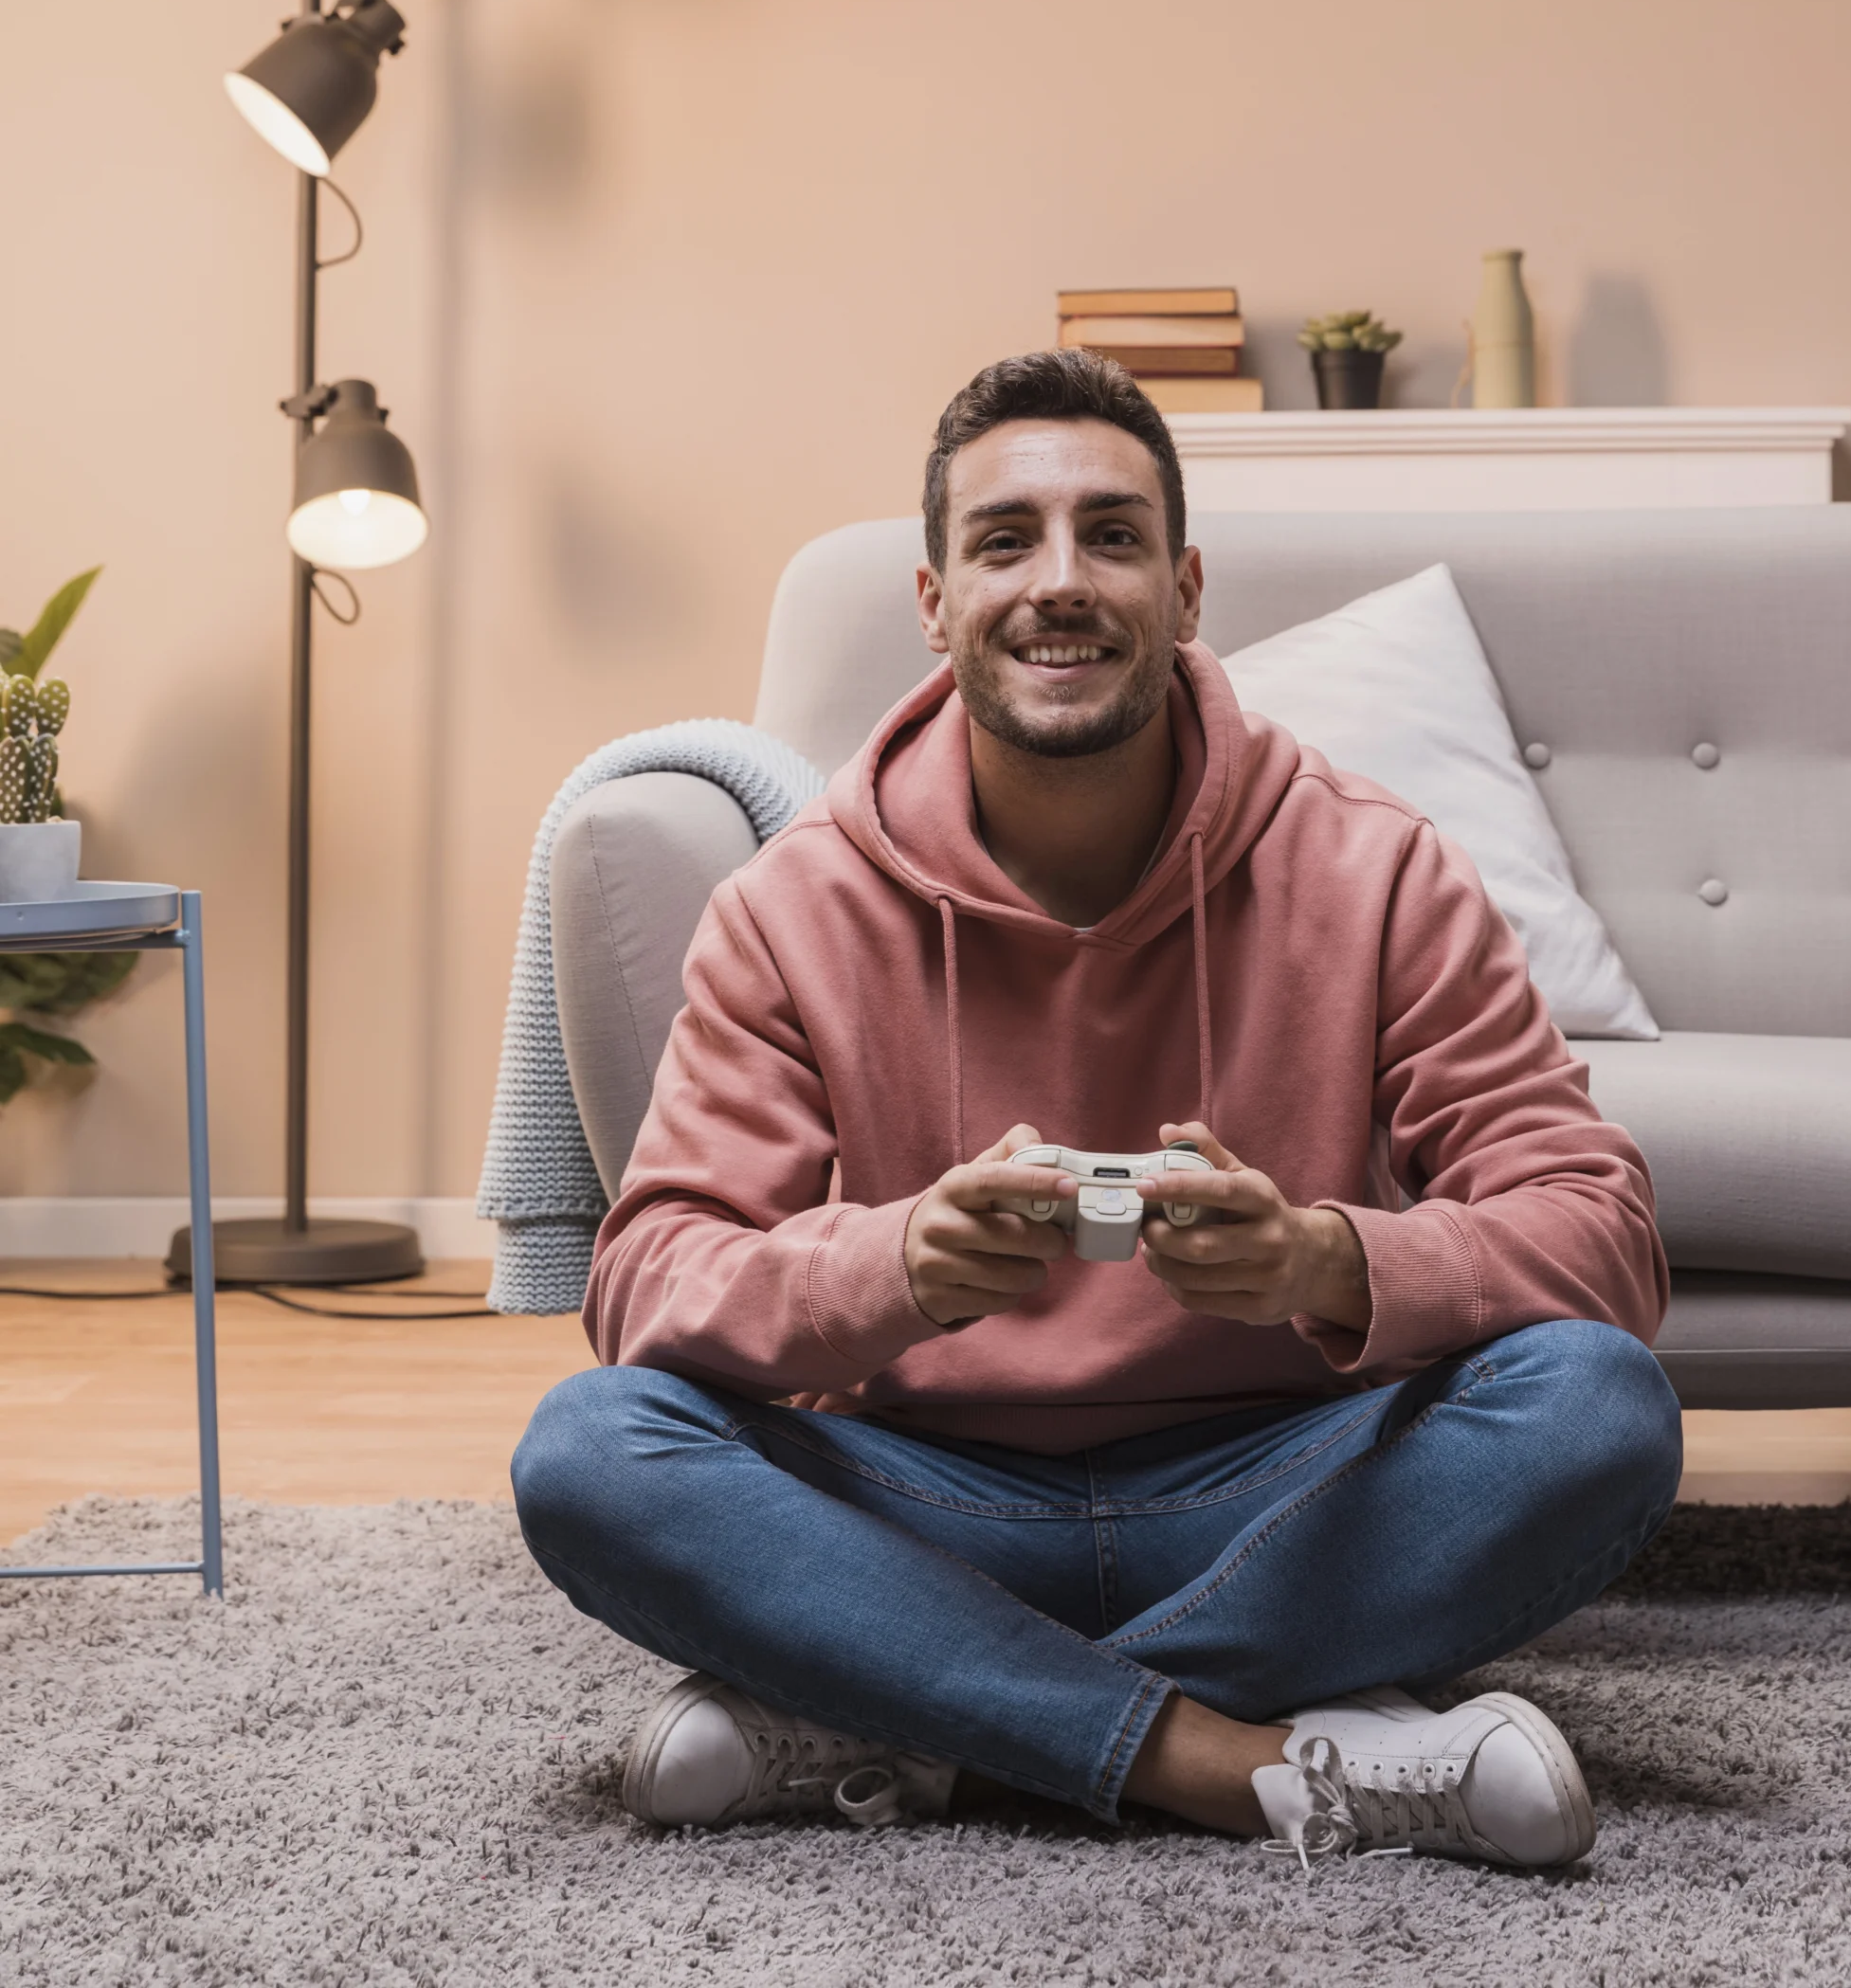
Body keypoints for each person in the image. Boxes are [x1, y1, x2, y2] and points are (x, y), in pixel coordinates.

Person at [512, 349, 1681, 1871]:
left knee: (1597, 1409)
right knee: (593, 1450)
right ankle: (1231, 1755)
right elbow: (645, 1275)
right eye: (1007, 539)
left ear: (1186, 591)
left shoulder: (1378, 869)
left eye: (1111, 536)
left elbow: (1603, 1236)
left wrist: (1330, 1265)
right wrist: (895, 1270)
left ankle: (914, 1708)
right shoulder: (789, 909)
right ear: (934, 604)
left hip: (1280, 1490)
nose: (1059, 581)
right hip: (923, 1496)